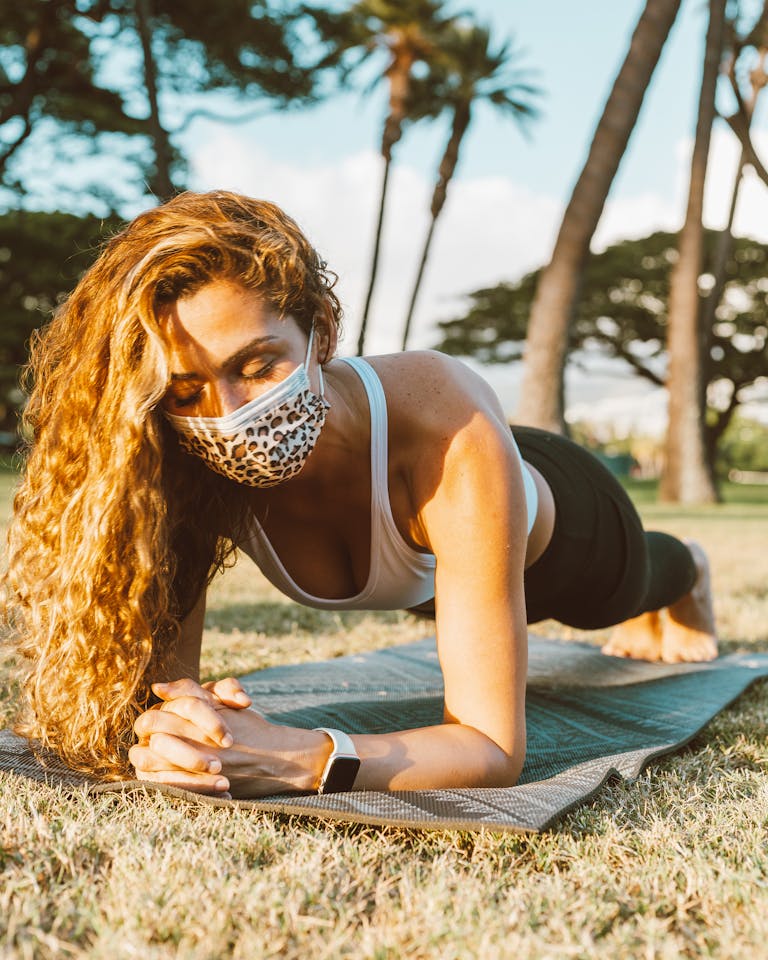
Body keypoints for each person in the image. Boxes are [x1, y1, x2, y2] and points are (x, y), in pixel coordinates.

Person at [1, 191, 718, 799]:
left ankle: (688, 568)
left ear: (321, 333)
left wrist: (298, 757)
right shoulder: (177, 457)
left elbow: (494, 750)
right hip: (431, 579)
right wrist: (189, 734)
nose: (227, 414)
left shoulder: (444, 415)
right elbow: (167, 691)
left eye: (256, 364)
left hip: (562, 532)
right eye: (187, 389)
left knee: (627, 595)